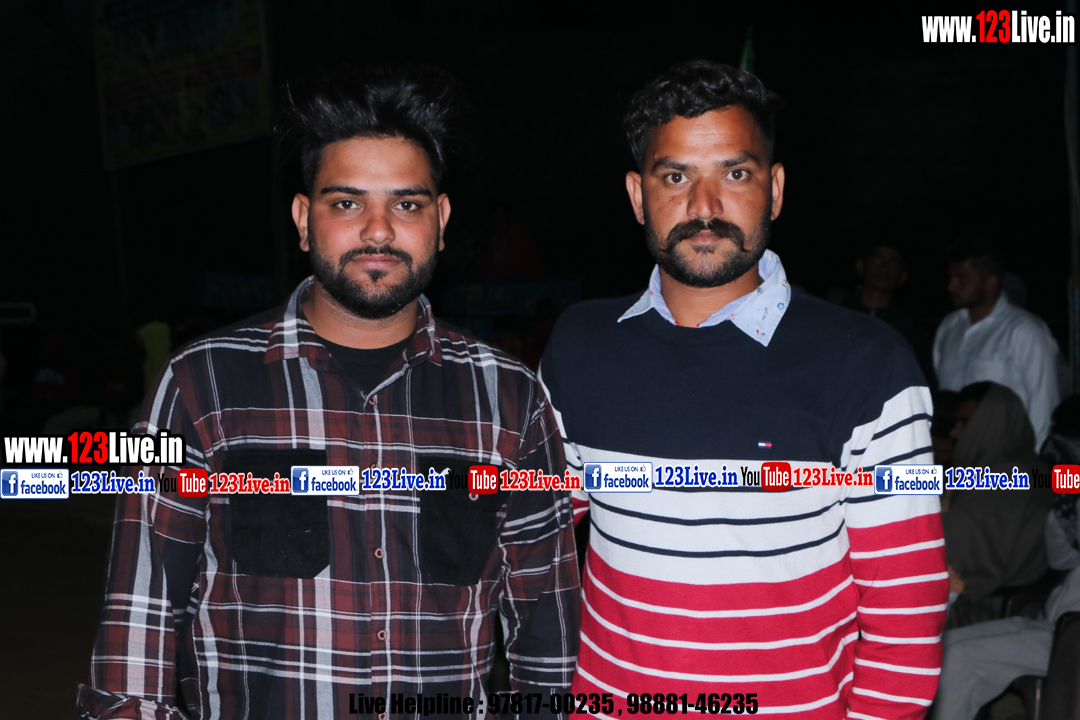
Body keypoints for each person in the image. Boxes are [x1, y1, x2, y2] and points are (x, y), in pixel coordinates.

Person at [77, 66, 579, 720]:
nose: (378, 230)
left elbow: (547, 637)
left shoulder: (510, 398)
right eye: (346, 203)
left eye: (407, 204)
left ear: (441, 220)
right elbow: (136, 633)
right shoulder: (202, 385)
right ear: (303, 219)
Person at [539, 60, 947, 719]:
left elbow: (906, 611)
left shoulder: (868, 365)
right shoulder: (581, 346)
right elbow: (534, 537)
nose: (704, 207)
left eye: (735, 173)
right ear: (638, 196)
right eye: (675, 176)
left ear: (775, 189)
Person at [932, 491, 1080, 720]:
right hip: (1052, 623)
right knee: (941, 647)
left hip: (1071, 638)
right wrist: (1066, 508)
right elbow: (1060, 559)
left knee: (958, 659)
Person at [940, 382, 1054, 629]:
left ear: (991, 426)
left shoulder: (1012, 477)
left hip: (987, 613)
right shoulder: (994, 471)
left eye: (965, 424)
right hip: (978, 605)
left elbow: (955, 546)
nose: (955, 433)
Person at [933, 238, 1060, 449]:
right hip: (955, 458)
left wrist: (1034, 462)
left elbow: (1043, 405)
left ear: (990, 282)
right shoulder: (949, 327)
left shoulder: (1025, 331)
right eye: (951, 277)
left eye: (963, 278)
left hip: (1005, 457)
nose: (952, 285)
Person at [842, 241, 935, 387]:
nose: (884, 267)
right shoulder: (838, 316)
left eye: (894, 263)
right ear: (861, 266)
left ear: (903, 276)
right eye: (877, 259)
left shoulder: (911, 330)